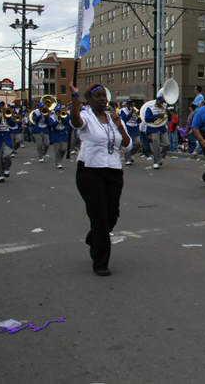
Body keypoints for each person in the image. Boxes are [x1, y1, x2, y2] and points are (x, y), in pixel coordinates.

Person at [69, 81, 131, 277]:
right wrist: (74, 98)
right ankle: (100, 262)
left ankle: (93, 238)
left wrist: (120, 126)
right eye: (98, 96)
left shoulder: (113, 118)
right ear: (89, 99)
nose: (103, 99)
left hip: (113, 171)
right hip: (90, 171)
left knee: (112, 215)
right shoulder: (85, 116)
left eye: (105, 96)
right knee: (99, 217)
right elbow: (75, 123)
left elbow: (127, 145)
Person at [144, 96, 170, 169]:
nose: (162, 103)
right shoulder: (150, 108)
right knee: (156, 146)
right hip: (154, 129)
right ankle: (156, 162)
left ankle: (161, 156)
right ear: (157, 101)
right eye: (161, 102)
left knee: (167, 144)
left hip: (162, 128)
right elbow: (147, 119)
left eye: (163, 102)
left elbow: (169, 119)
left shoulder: (164, 108)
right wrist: (157, 116)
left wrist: (169, 114)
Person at [119, 100, 141, 165]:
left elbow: (139, 121)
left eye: (132, 103)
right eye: (129, 104)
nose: (131, 105)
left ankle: (131, 153)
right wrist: (130, 113)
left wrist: (138, 115)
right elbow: (123, 119)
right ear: (127, 104)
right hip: (128, 128)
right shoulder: (123, 110)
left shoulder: (135, 110)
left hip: (135, 128)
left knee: (138, 142)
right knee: (128, 144)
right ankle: (128, 159)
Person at [48, 104, 70, 169]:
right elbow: (52, 124)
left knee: (64, 148)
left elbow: (66, 123)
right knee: (57, 150)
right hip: (56, 134)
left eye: (59, 111)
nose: (58, 112)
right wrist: (57, 120)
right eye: (57, 111)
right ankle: (58, 163)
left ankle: (59, 159)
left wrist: (62, 118)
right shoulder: (51, 117)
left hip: (63, 133)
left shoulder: (65, 115)